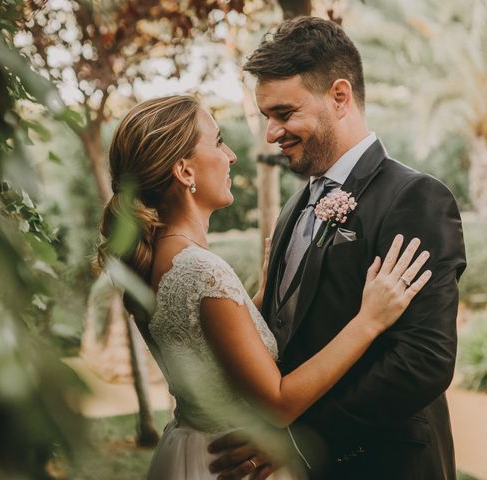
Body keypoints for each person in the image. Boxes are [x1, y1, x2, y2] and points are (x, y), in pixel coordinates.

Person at [96, 94, 432, 480]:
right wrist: (369, 320)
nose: (231, 156)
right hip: (233, 462)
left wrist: (266, 284)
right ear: (184, 171)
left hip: (189, 450)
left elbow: (214, 345)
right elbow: (279, 402)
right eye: (218, 141)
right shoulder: (202, 271)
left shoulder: (158, 259)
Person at [208, 16, 467, 480]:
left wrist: (303, 439)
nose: (271, 133)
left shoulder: (414, 198)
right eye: (267, 116)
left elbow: (423, 360)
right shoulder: (294, 206)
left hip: (385, 465)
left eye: (285, 114)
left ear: (340, 97)